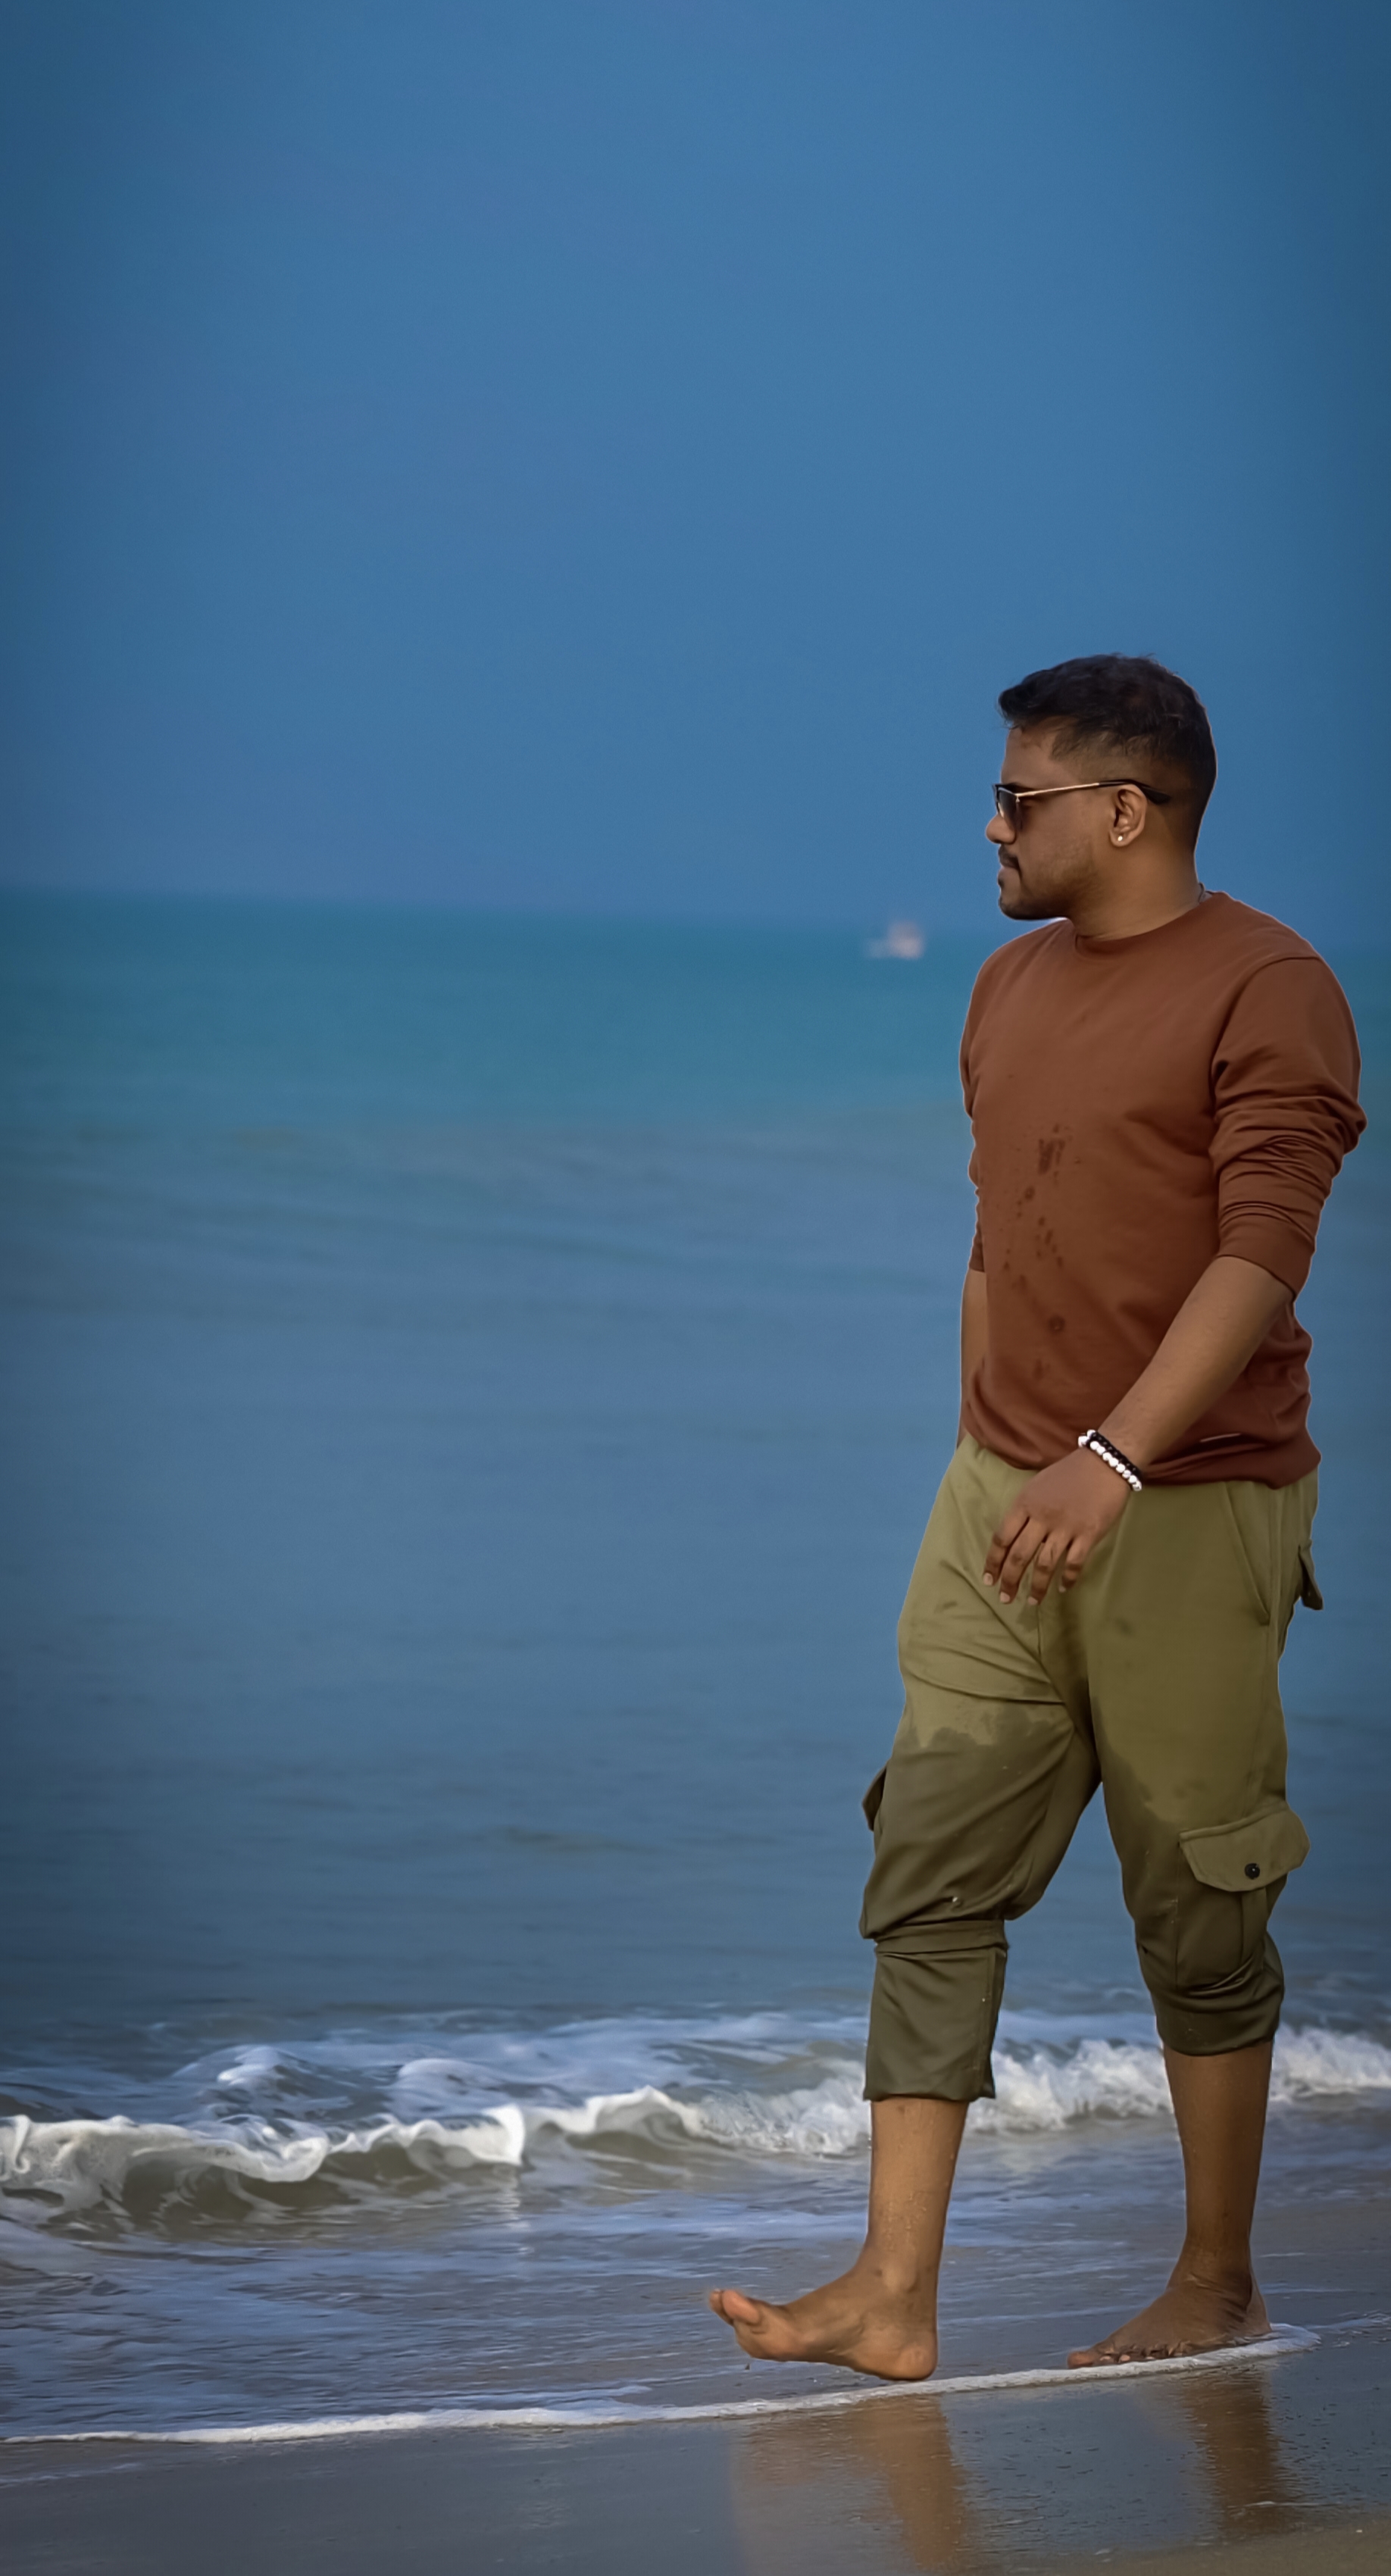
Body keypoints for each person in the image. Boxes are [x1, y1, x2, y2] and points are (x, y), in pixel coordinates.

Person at [710, 654, 1364, 2379]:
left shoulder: (1272, 989)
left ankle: (1216, 2280)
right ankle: (893, 2292)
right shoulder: (1004, 984)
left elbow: (1262, 1255)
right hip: (1000, 1501)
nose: (991, 826)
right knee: (928, 1862)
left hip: (1189, 1504)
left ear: (1127, 811)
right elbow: (1000, 1241)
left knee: (1200, 1905)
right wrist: (988, 1449)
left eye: (1020, 799)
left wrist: (1114, 1459)